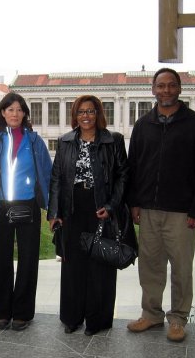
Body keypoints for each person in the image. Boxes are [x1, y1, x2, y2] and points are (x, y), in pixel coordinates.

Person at [126, 68, 195, 342]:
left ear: (179, 89)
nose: (165, 90)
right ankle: (151, 314)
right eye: (160, 85)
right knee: (150, 265)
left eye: (171, 85)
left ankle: (177, 319)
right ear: (153, 89)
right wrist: (134, 203)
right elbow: (134, 167)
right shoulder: (142, 125)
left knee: (181, 268)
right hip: (149, 210)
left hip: (182, 211)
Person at [48, 95, 136, 336]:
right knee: (73, 264)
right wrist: (54, 212)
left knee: (100, 263)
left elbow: (123, 176)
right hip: (72, 208)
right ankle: (72, 317)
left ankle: (97, 320)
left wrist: (111, 205)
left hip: (101, 208)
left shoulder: (113, 140)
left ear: (98, 114)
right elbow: (56, 178)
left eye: (90, 111)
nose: (85, 116)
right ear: (74, 116)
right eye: (80, 112)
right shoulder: (65, 141)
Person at [0, 92, 52, 331]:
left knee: (28, 259)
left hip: (28, 206)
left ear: (24, 114)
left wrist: (51, 209)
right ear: (3, 113)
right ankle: (2, 311)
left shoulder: (34, 141)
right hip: (2, 207)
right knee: (0, 260)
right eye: (10, 109)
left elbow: (47, 173)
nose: (15, 114)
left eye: (19, 110)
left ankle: (22, 313)